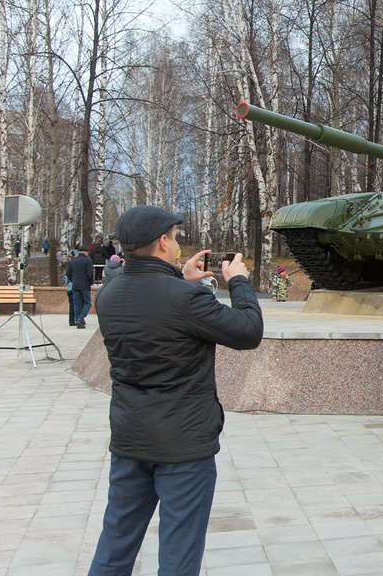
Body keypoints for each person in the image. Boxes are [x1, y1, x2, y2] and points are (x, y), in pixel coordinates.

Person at [87, 205, 263, 576]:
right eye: (176, 237)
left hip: (130, 438)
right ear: (163, 241)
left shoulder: (109, 294)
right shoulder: (185, 299)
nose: (178, 243)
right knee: (179, 553)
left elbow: (154, 307)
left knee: (115, 544)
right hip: (183, 446)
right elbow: (248, 332)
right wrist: (239, 282)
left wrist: (181, 280)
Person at [67, 246, 95, 328]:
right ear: (86, 252)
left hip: (75, 286)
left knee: (77, 304)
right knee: (87, 303)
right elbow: (90, 274)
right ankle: (81, 318)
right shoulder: (88, 261)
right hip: (85, 286)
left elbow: (68, 273)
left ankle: (78, 321)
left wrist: (73, 280)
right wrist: (90, 282)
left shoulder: (73, 261)